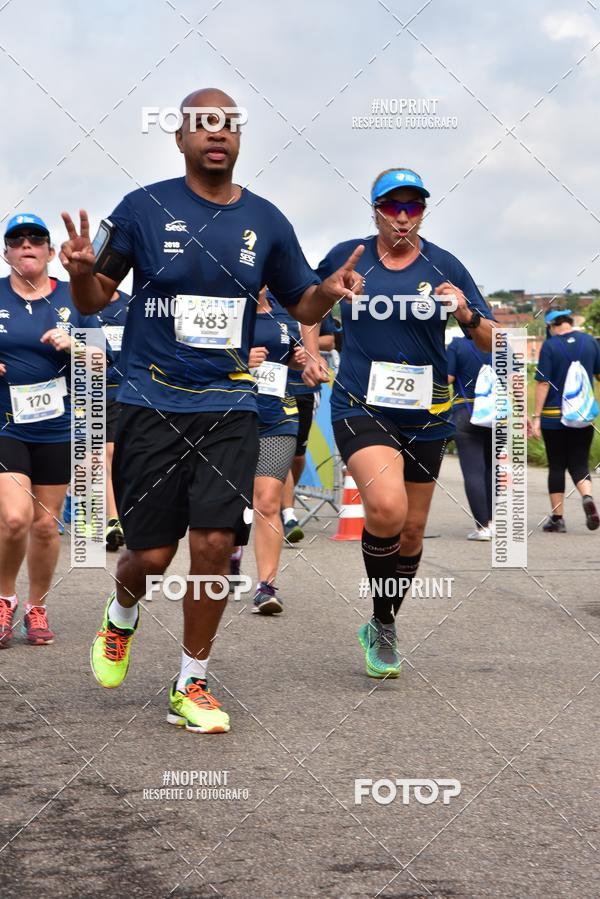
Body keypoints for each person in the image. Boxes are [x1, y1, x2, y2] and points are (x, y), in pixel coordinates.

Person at [59, 87, 364, 734]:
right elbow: (92, 301)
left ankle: (190, 680)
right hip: (149, 399)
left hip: (230, 403)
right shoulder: (142, 209)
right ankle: (121, 614)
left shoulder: (266, 221)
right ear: (180, 139)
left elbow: (302, 302)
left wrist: (329, 293)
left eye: (227, 123)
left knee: (218, 542)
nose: (216, 132)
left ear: (239, 138)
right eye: (202, 124)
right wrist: (84, 270)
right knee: (149, 553)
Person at [318, 167, 495, 679]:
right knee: (388, 508)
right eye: (392, 205)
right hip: (360, 405)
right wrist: (309, 352)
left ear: (423, 210)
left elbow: (489, 340)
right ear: (374, 209)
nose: (401, 215)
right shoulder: (347, 257)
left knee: (413, 532)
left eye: (412, 206)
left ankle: (382, 621)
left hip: (427, 413)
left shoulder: (444, 264)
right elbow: (306, 308)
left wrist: (463, 312)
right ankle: (382, 621)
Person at [0, 213, 103, 648]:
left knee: (45, 526)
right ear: (6, 251)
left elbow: (102, 360)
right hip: (6, 422)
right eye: (17, 239)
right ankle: (4, 599)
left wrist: (75, 345)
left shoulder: (72, 297)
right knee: (13, 519)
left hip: (57, 426)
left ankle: (37, 607)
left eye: (36, 239)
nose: (28, 245)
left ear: (47, 250)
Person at [247, 288, 302, 612]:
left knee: (267, 500)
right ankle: (228, 553)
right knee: (226, 503)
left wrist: (299, 361)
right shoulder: (225, 309)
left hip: (278, 417)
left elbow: (293, 361)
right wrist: (238, 358)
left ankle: (266, 587)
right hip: (228, 416)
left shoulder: (285, 312)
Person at [533, 309, 600, 532]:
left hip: (554, 416)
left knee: (557, 465)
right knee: (580, 462)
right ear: (570, 322)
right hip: (582, 415)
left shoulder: (550, 346)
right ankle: (587, 496)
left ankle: (558, 519)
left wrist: (536, 417)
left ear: (552, 326)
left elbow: (542, 383)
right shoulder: (591, 342)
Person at [280, 314, 335, 542]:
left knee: (297, 453)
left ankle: (284, 497)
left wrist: (301, 344)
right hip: (274, 388)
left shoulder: (312, 296)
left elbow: (330, 340)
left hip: (304, 387)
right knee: (282, 446)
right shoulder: (265, 299)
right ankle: (287, 512)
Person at [447, 335, 493, 540]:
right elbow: (514, 380)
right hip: (496, 414)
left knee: (473, 471)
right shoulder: (501, 344)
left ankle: (483, 527)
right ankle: (492, 522)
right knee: (492, 470)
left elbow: (447, 378)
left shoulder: (457, 345)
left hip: (466, 411)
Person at [97, 289, 130, 551]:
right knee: (102, 456)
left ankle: (119, 516)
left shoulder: (131, 303)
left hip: (124, 390)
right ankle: (112, 518)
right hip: (89, 390)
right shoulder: (81, 305)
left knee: (118, 456)